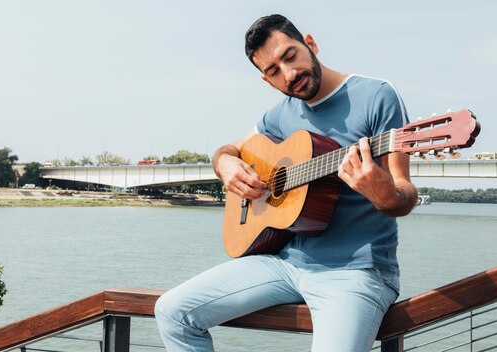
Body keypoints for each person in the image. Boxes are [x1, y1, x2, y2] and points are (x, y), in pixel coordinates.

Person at [155, 14, 418, 352]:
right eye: (274, 70)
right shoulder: (281, 114)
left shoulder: (376, 95)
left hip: (356, 271)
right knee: (173, 312)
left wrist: (382, 193)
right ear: (266, 80)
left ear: (310, 43)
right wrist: (224, 163)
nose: (289, 74)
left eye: (290, 56)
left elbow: (403, 195)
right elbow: (231, 149)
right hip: (284, 264)